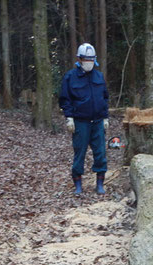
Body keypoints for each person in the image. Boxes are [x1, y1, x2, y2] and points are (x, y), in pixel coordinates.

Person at [59, 43, 109, 195]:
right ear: (79, 59)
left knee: (100, 152)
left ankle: (100, 183)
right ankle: (78, 184)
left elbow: (104, 97)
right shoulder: (70, 77)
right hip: (80, 121)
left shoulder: (99, 76)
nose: (89, 62)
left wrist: (105, 117)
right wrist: (69, 118)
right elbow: (65, 99)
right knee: (79, 152)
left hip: (98, 121)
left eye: (91, 59)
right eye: (86, 59)